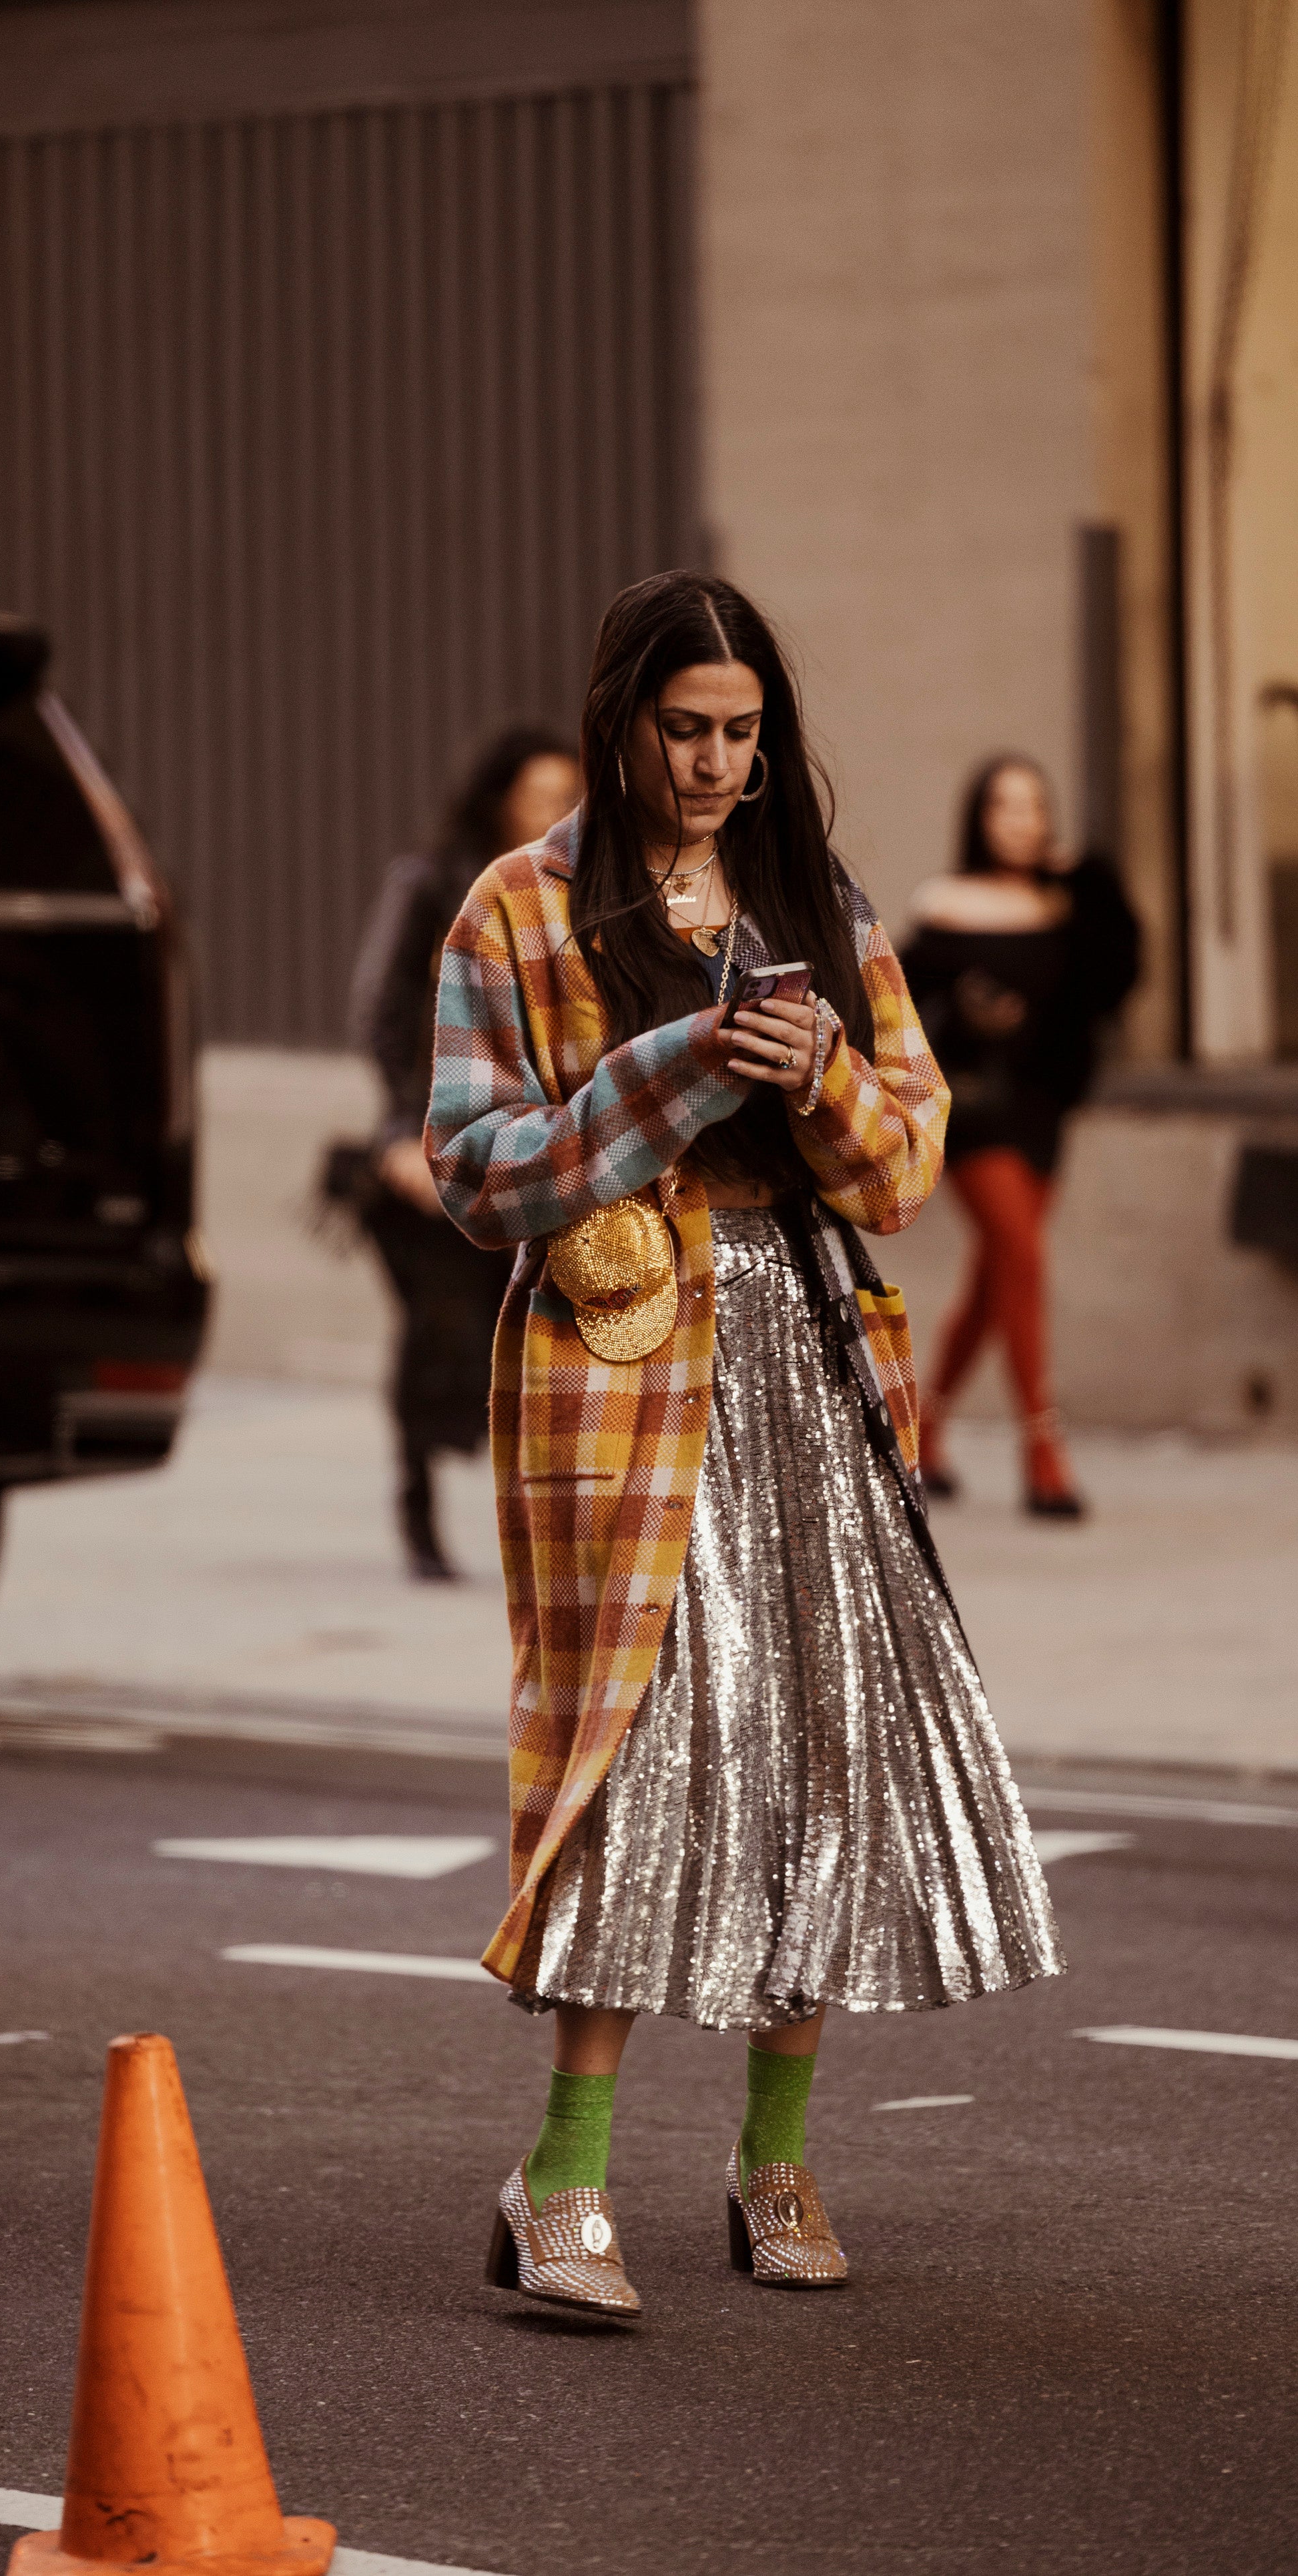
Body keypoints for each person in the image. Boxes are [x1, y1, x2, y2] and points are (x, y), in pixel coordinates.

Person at [424, 572, 1061, 2316]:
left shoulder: (815, 899)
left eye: (741, 735)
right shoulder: (515, 910)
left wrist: (813, 1081)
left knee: (820, 1756)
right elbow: (474, 1171)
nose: (712, 765)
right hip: (621, 1370)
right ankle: (558, 2177)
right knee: (628, 1755)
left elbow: (906, 1169)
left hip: (812, 1365)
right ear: (616, 721)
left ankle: (772, 2157)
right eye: (683, 729)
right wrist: (674, 1072)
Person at [350, 725, 579, 1581]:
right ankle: (415, 1503)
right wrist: (405, 1132)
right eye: (545, 792)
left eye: (571, 794)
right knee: (434, 1333)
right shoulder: (434, 884)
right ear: (502, 797)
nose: (562, 809)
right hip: (436, 1152)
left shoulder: (574, 892)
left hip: (535, 1148)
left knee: (520, 1338)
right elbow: (382, 1016)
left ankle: (531, 1522)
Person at [902, 758, 1140, 1517]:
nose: (1021, 820)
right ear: (979, 816)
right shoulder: (945, 904)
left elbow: (1122, 972)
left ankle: (925, 1429)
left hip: (1043, 1110)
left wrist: (1091, 875)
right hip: (974, 1112)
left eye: (1034, 805)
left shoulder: (1064, 902)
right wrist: (967, 1009)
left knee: (997, 1276)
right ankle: (1044, 1449)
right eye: (1006, 806)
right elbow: (897, 1003)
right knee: (1025, 1258)